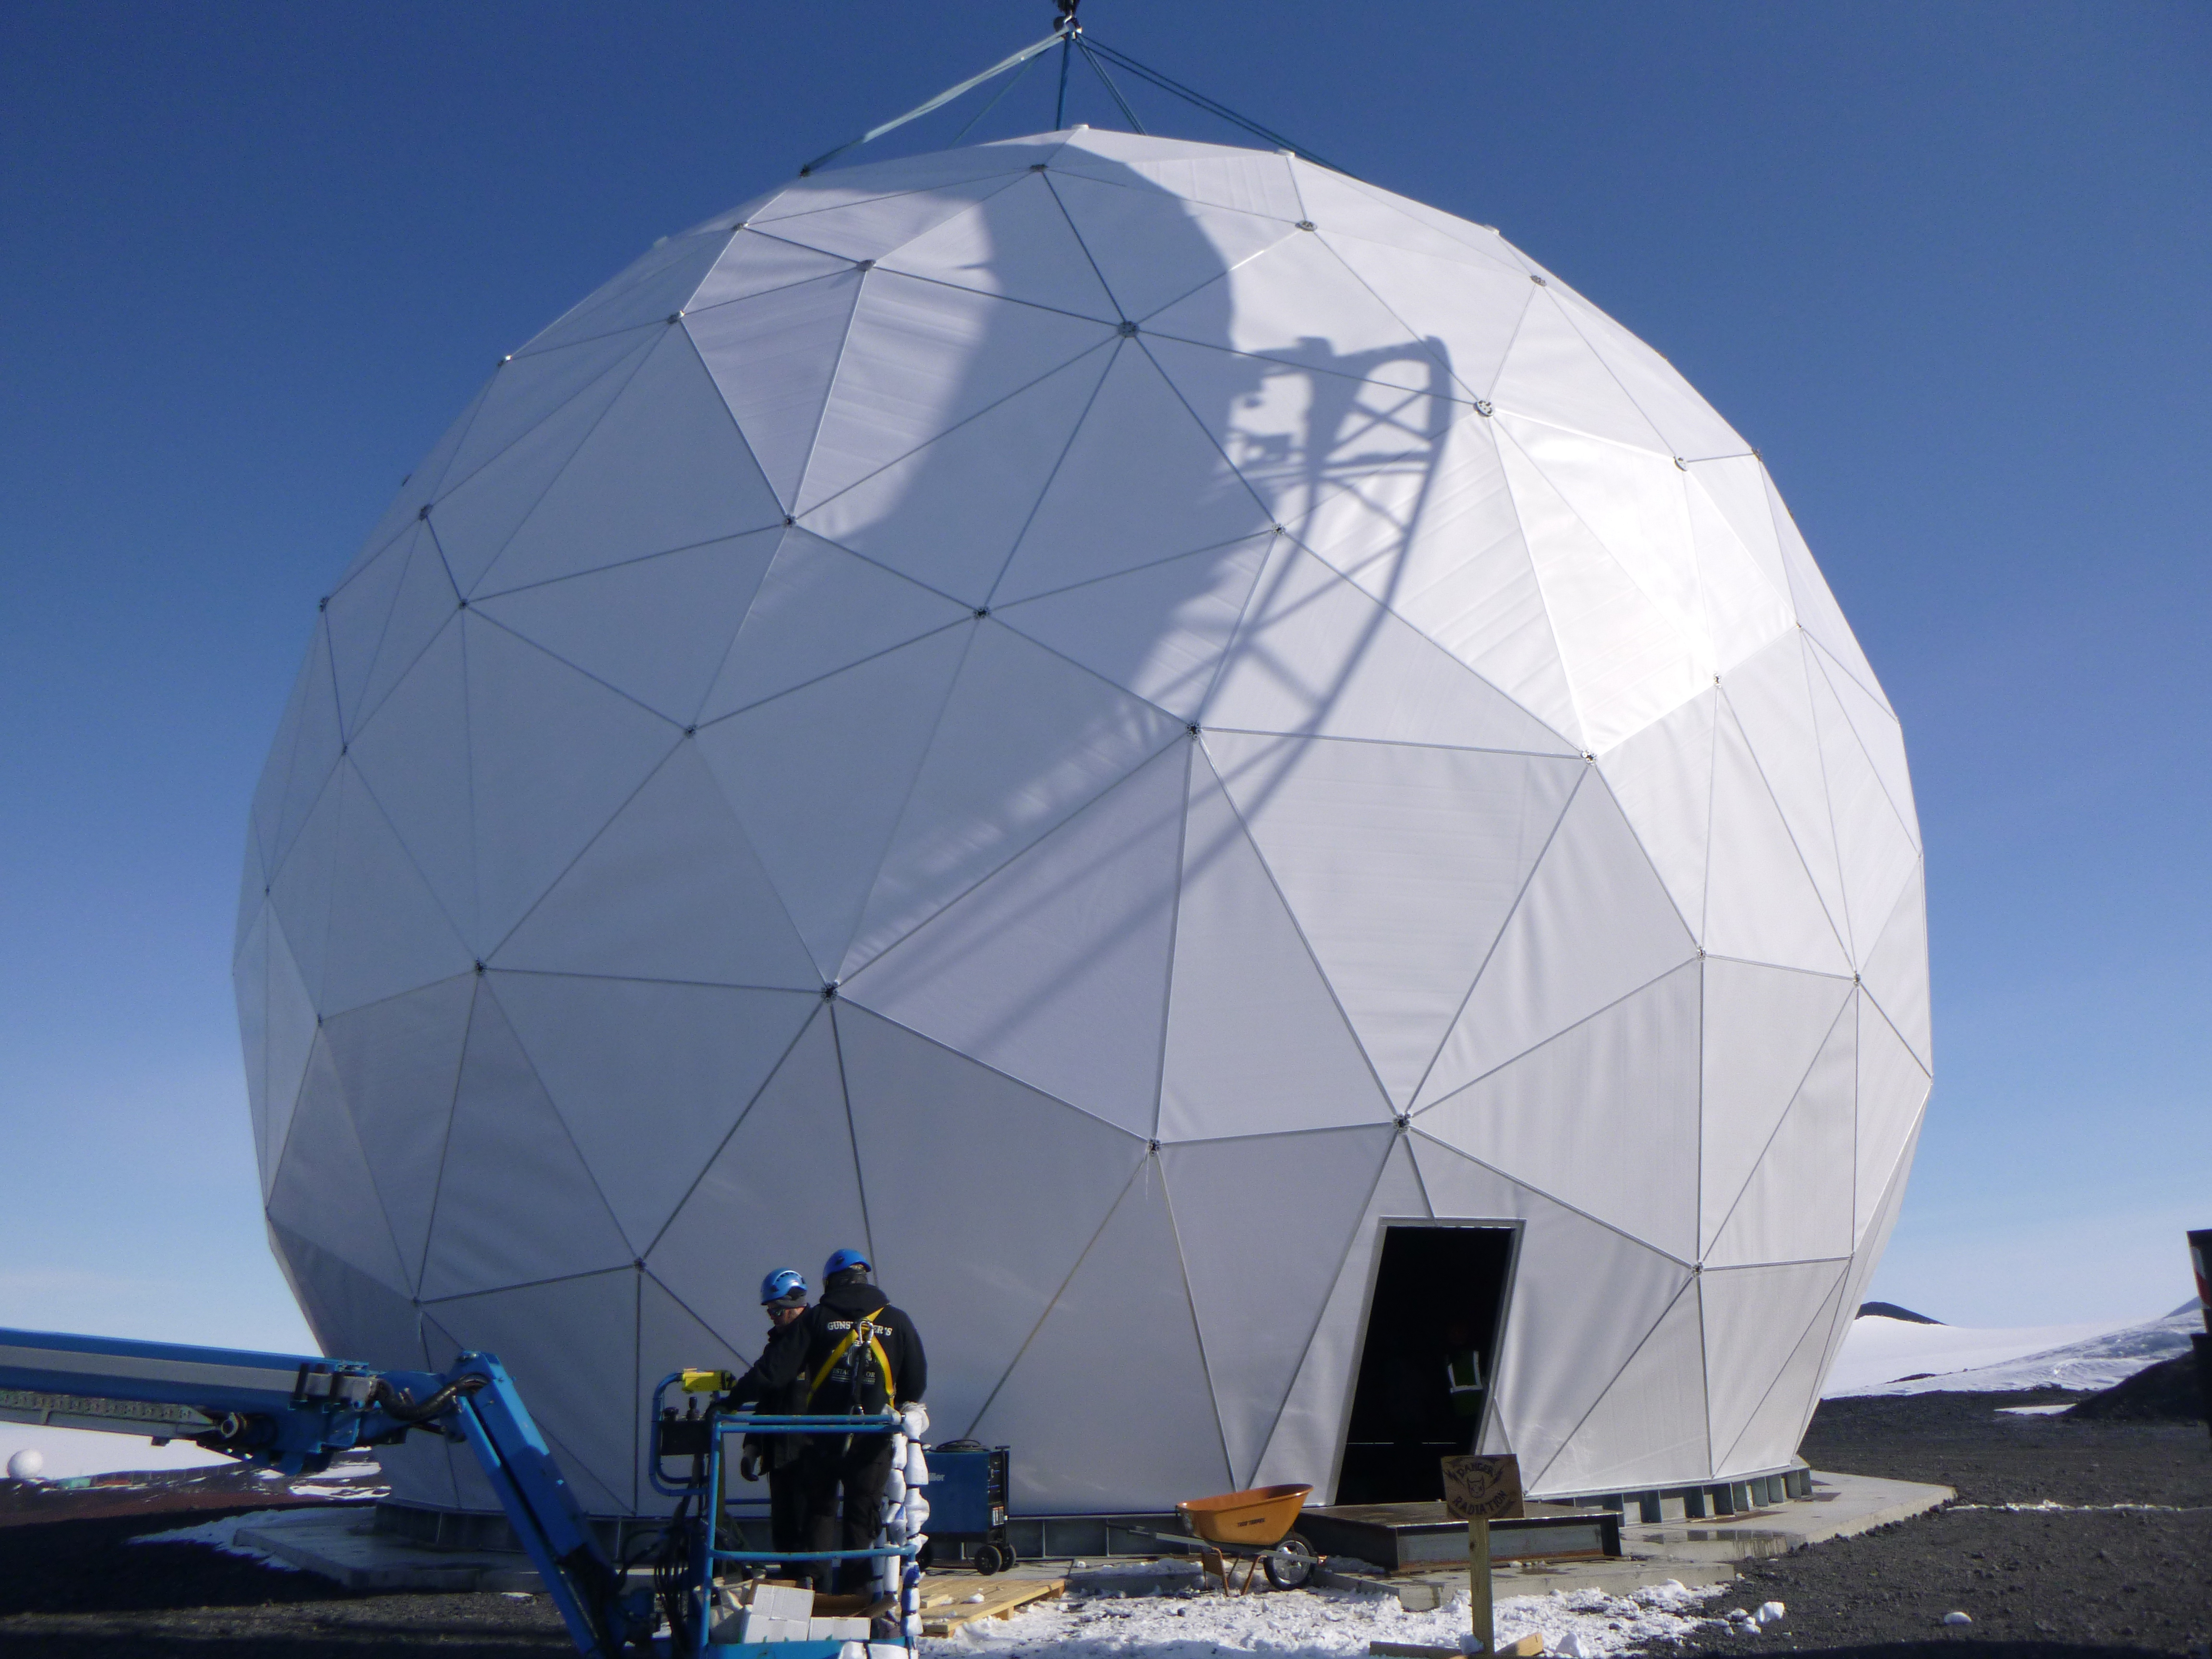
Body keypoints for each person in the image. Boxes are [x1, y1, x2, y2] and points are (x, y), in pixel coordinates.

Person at [795, 1249, 927, 1596]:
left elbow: (777, 1369)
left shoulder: (818, 1318)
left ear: (831, 1282)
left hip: (823, 1437)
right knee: (861, 1514)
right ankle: (857, 1592)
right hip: (873, 1438)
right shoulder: (897, 1321)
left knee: (820, 1510)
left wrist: (732, 1402)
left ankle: (814, 1588)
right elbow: (916, 1381)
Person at [715, 1268, 814, 1563]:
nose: (772, 1315)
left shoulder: (811, 1338)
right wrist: (752, 1447)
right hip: (782, 1453)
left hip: (808, 1453)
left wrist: (731, 1402)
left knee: (805, 1530)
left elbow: (766, 1377)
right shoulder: (782, 1342)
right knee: (784, 1530)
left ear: (797, 1305)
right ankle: (791, 1591)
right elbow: (770, 1398)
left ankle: (811, 1591)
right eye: (770, 1310)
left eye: (777, 1310)